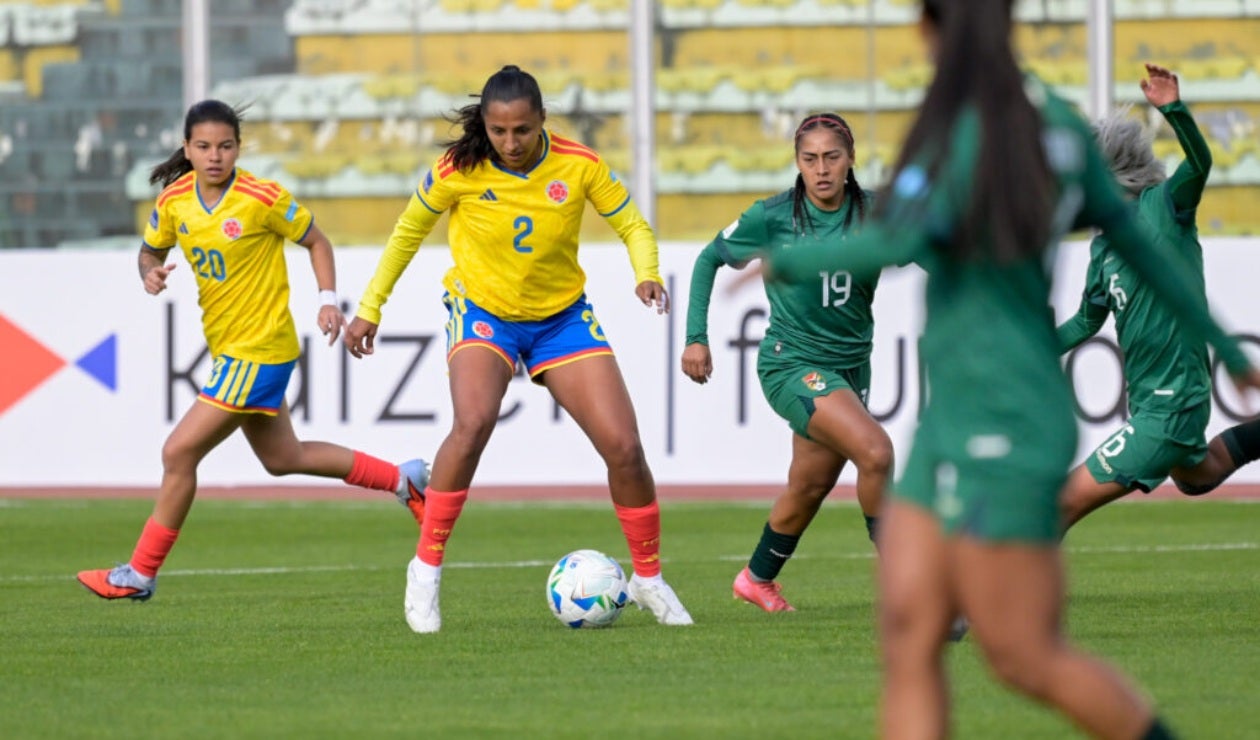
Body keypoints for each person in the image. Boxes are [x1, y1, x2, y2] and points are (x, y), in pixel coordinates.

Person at [745, 1, 1260, 737]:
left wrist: (795, 255)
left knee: (1021, 656)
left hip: (1010, 410)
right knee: (910, 631)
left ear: (932, 33)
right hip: (955, 407)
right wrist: (1234, 351)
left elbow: (903, 232)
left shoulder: (1009, 132)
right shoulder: (988, 123)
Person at [344, 65, 693, 633]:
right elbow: (407, 233)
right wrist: (370, 307)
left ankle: (649, 578)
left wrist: (645, 272)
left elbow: (632, 223)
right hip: (484, 314)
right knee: (474, 421)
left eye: (522, 131)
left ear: (541, 123)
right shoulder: (459, 167)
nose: (510, 143)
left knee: (625, 447)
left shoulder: (579, 164)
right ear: (485, 124)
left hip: (562, 319)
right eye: (499, 131)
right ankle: (426, 568)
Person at [77, 100, 429, 602]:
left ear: (238, 148)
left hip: (261, 349)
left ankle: (139, 573)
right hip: (231, 352)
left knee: (178, 452)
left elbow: (318, 242)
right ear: (187, 149)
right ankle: (404, 480)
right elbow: (150, 249)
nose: (215, 155)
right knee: (283, 457)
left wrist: (329, 302)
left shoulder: (261, 197)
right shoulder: (175, 200)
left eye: (225, 146)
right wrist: (149, 272)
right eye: (203, 146)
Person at [681, 112, 893, 613]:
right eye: (809, 159)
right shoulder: (772, 217)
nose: (821, 169)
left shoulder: (879, 215)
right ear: (797, 162)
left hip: (851, 367)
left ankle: (756, 579)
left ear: (851, 159)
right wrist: (696, 338)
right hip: (791, 364)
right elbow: (709, 258)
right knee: (876, 452)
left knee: (810, 486)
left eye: (832, 157)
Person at [1057, 64, 1260, 531]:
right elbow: (1085, 322)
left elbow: (1200, 163)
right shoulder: (1103, 245)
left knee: (1058, 506)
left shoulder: (1166, 207)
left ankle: (998, 606)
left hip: (1172, 405)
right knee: (1197, 475)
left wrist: (1174, 110)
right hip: (1149, 402)